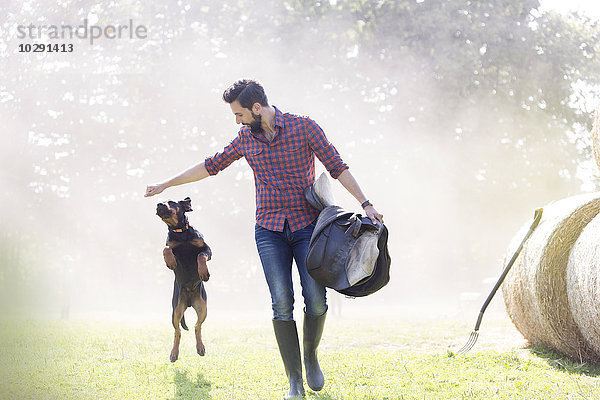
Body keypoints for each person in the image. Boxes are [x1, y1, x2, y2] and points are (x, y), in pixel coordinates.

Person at [145, 79, 383, 399]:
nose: (237, 121)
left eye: (240, 114)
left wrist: (366, 204)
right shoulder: (245, 139)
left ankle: (310, 357)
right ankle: (294, 382)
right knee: (281, 302)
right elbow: (210, 165)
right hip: (268, 230)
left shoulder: (304, 128)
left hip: (307, 228)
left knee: (315, 298)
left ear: (257, 109)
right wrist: (166, 184)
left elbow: (337, 167)